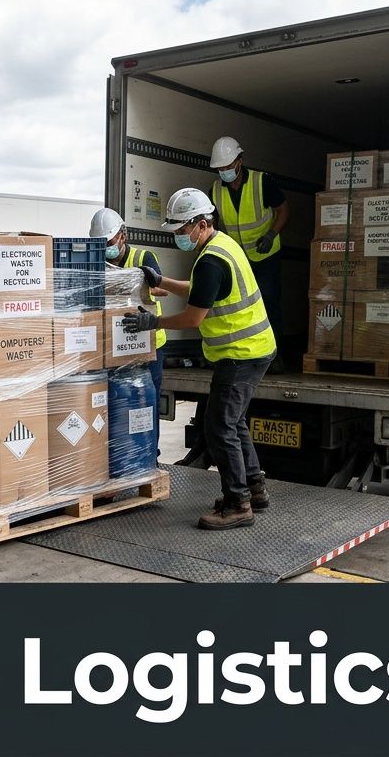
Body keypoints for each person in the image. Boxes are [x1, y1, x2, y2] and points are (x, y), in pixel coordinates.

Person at [122, 189, 276, 531]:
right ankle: (255, 488)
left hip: (242, 354)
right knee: (233, 423)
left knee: (219, 427)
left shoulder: (211, 259)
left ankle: (238, 504)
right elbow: (200, 289)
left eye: (181, 231)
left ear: (201, 224)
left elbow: (194, 318)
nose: (179, 238)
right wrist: (161, 282)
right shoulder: (221, 245)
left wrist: (154, 322)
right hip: (251, 350)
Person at [91, 207, 167, 450]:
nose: (106, 248)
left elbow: (159, 289)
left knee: (147, 403)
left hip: (148, 344)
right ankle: (122, 452)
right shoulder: (97, 261)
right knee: (118, 403)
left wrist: (128, 281)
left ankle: (149, 454)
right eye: (100, 243)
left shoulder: (144, 258)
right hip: (116, 345)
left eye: (109, 241)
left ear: (122, 235)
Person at [208, 136, 289, 337]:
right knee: (239, 304)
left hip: (265, 255)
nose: (223, 171)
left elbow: (284, 210)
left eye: (227, 166)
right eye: (220, 168)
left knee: (268, 301)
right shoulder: (215, 190)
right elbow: (212, 224)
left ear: (239, 161)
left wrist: (271, 235)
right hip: (238, 260)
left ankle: (275, 353)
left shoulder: (261, 181)